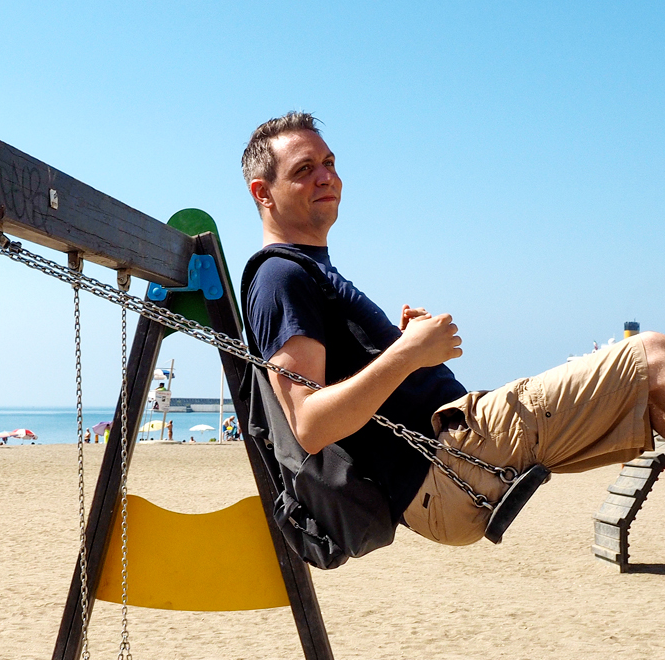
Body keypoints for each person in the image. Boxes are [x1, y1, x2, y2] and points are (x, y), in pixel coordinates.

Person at [242, 112, 664, 546]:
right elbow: (310, 424)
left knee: (651, 403)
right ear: (263, 193)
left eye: (329, 162)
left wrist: (401, 346)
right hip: (449, 464)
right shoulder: (280, 276)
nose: (326, 177)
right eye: (304, 169)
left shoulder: (308, 270)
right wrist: (408, 355)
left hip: (456, 458)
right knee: (655, 357)